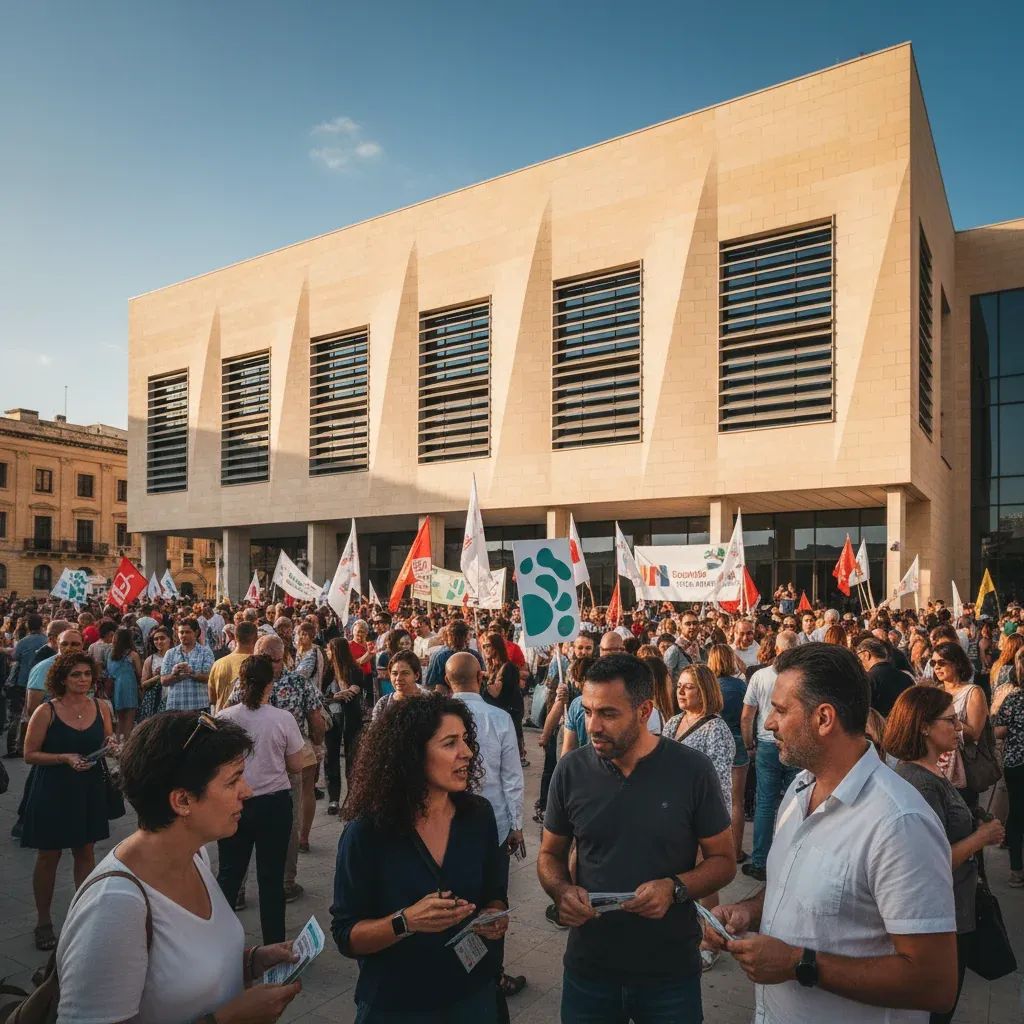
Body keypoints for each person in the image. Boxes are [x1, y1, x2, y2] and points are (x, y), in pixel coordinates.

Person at [703, 643, 958, 1024]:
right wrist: (749, 911)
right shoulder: (801, 788)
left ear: (824, 719)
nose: (769, 723)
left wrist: (798, 964)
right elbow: (790, 884)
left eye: (781, 710)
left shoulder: (899, 823)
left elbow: (934, 983)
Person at [55, 710, 302, 1023]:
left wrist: (251, 962)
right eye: (233, 780)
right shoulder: (114, 907)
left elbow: (173, 976)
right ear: (182, 801)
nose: (248, 791)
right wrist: (226, 1020)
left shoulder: (194, 856)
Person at [538, 654, 735, 1023]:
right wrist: (561, 891)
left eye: (608, 714)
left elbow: (723, 862)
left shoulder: (692, 771)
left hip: (669, 974)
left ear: (644, 711)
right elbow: (550, 852)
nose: (593, 725)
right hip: (589, 970)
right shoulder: (571, 770)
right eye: (588, 710)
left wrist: (675, 888)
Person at [331, 694, 510, 1022]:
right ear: (412, 754)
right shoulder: (368, 833)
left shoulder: (478, 815)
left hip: (473, 994)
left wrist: (494, 914)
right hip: (398, 1004)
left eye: (466, 740)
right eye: (450, 743)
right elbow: (347, 935)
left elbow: (494, 890)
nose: (467, 752)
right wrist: (406, 921)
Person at [884, 686, 1006, 1023]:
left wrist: (974, 822)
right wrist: (981, 837)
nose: (959, 727)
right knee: (937, 1008)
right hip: (941, 914)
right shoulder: (920, 782)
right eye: (951, 721)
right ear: (923, 726)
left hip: (952, 909)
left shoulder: (932, 771)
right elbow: (929, 864)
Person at [446, 651, 527, 1006]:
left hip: (446, 825)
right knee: (493, 901)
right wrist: (517, 825)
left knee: (452, 899)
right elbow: (512, 776)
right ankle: (492, 974)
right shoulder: (498, 718)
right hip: (492, 825)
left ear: (449, 680)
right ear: (480, 676)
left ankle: (459, 969)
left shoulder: (436, 717)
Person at [21, 652, 115, 951]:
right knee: (49, 855)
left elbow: (107, 741)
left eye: (87, 674)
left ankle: (84, 915)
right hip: (53, 788)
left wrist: (111, 746)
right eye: (76, 674)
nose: (83, 680)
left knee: (85, 850)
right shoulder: (46, 711)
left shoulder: (100, 707)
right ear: (62, 678)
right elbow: (29, 754)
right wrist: (63, 758)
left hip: (88, 787)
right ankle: (44, 920)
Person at [228, 633, 326, 902]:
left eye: (273, 660)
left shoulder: (290, 683)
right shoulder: (289, 683)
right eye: (266, 660)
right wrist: (315, 745)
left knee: (263, 826)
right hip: (268, 768)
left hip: (266, 767)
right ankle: (276, 885)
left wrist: (314, 746)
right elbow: (316, 722)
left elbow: (316, 720)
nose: (271, 665)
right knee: (276, 827)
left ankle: (261, 886)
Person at [217, 654, 305, 943]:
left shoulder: (225, 718)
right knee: (271, 878)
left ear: (241, 682)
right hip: (274, 804)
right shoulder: (283, 719)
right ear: (271, 683)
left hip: (235, 803)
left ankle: (218, 941)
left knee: (229, 874)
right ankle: (275, 943)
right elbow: (295, 765)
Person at [662, 661, 736, 971]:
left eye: (688, 685)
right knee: (677, 875)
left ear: (704, 689)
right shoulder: (673, 721)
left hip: (700, 817)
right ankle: (682, 931)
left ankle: (711, 939)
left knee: (704, 881)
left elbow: (718, 781)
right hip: (671, 813)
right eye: (679, 685)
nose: (680, 690)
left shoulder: (715, 728)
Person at [740, 629, 800, 880]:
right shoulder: (800, 677)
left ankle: (761, 861)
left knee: (767, 803)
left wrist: (749, 743)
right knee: (795, 802)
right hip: (789, 744)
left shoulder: (761, 676)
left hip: (768, 744)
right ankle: (790, 860)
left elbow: (747, 716)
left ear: (776, 648)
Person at [706, 644, 749, 864]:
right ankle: (736, 850)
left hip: (714, 742)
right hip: (738, 742)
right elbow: (748, 714)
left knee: (714, 800)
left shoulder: (709, 687)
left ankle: (716, 852)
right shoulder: (740, 686)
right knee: (736, 801)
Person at [931, 641, 988, 808]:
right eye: (933, 663)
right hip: (937, 765)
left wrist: (949, 720)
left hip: (964, 766)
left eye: (942, 662)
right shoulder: (936, 691)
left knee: (964, 813)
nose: (936, 667)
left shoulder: (973, 692)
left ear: (957, 664)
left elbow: (974, 734)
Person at [323, 635, 365, 814]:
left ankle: (352, 796)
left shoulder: (353, 669)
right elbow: (320, 694)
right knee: (331, 757)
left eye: (329, 649)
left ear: (335, 651)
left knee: (352, 756)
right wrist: (335, 696)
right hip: (332, 718)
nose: (326, 652)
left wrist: (349, 690)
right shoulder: (327, 670)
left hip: (350, 718)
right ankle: (333, 799)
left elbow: (357, 688)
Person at [994, 670, 1024, 887]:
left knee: (1016, 812)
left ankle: (1016, 870)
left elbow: (999, 730)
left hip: (1017, 761)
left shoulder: (1014, 698)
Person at [481, 632, 526, 765]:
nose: (485, 649)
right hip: (502, 713)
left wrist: (481, 681)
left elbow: (495, 692)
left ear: (497, 646)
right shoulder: (494, 667)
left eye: (488, 645)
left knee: (511, 757)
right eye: (483, 646)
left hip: (510, 712)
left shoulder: (507, 667)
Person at [160, 618, 215, 712]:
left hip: (199, 705)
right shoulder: (170, 653)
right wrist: (175, 675)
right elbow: (163, 681)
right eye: (181, 632)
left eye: (187, 632)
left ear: (196, 632)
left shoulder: (206, 652)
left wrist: (191, 673)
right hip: (175, 706)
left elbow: (210, 678)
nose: (184, 635)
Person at [208, 620, 258, 712]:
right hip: (247, 720)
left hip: (221, 719)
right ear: (256, 638)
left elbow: (212, 699)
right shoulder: (257, 664)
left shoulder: (218, 664)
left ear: (235, 637)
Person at [855, 637, 912, 717]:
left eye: (859, 658)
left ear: (866, 655)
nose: (859, 662)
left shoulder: (867, 680)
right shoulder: (906, 678)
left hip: (878, 727)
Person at [107, 626, 143, 738]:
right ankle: (127, 743)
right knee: (129, 719)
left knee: (120, 719)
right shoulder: (133, 655)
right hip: (130, 686)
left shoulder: (111, 655)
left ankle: (118, 743)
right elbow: (140, 674)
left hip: (116, 686)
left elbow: (110, 672)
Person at [372, 650, 425, 721]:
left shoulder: (428, 701)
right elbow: (374, 730)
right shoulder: (383, 704)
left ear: (416, 676)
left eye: (405, 673)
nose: (398, 678)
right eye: (394, 673)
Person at [137, 626, 171, 722]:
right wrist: (158, 677)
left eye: (162, 638)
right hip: (157, 700)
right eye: (156, 639)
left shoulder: (176, 656)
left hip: (174, 698)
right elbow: (143, 684)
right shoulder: (151, 660)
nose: (159, 641)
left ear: (170, 639)